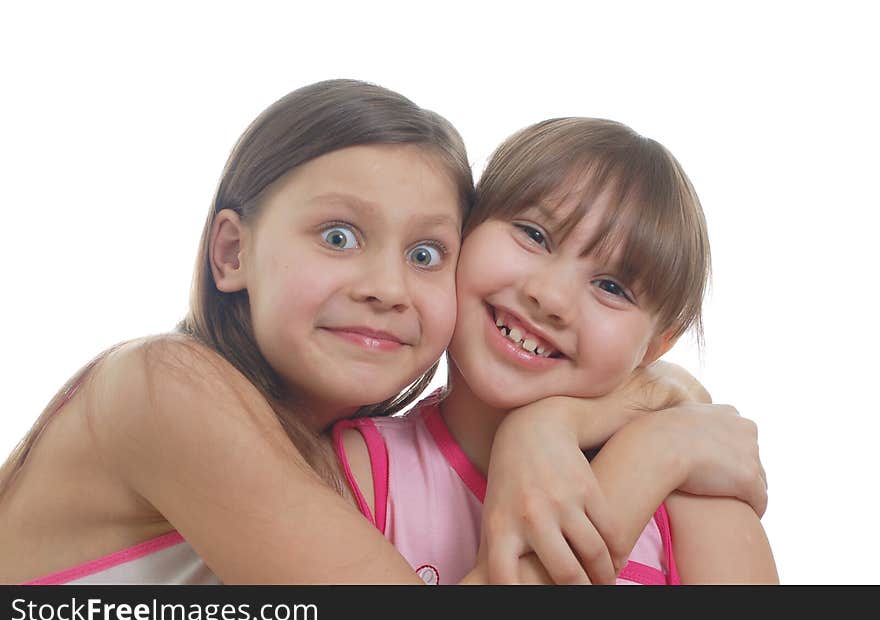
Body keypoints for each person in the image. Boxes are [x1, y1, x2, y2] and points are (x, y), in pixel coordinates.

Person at [0, 81, 765, 585]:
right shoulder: (164, 388)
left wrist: (557, 420)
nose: (386, 286)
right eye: (337, 236)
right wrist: (652, 450)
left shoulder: (324, 452)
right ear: (232, 252)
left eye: (426, 253)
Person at [332, 117, 778, 584]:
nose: (551, 297)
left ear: (658, 345)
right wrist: (648, 457)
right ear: (464, 228)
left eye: (611, 287)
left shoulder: (696, 498)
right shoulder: (358, 468)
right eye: (534, 234)